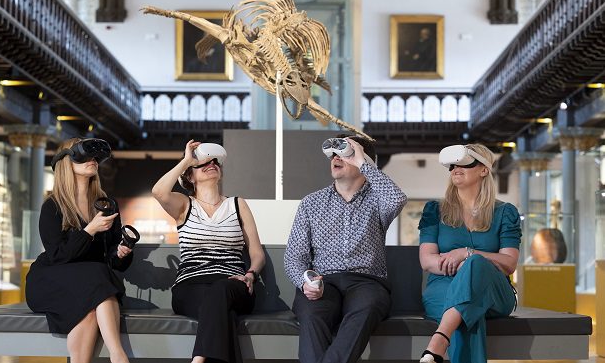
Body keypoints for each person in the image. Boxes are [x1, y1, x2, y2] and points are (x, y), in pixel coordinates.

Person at [284, 135, 407, 363]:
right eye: (332, 154)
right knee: (311, 314)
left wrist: (362, 162)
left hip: (367, 282)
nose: (335, 157)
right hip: (323, 281)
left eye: (344, 152)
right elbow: (294, 257)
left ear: (363, 159)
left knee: (366, 308)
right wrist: (304, 283)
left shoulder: (378, 200)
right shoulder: (311, 203)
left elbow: (397, 199)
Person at [151, 140, 265, 363]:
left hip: (234, 283)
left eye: (215, 162)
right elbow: (158, 191)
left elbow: (257, 253)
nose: (211, 164)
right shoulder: (185, 205)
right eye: (202, 164)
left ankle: (198, 359)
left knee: (220, 290)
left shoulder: (237, 204)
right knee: (225, 315)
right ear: (189, 177)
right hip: (190, 287)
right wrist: (186, 160)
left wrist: (251, 274)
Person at [26, 138, 134, 363]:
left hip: (89, 283)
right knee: (96, 275)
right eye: (85, 156)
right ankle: (118, 355)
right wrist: (89, 230)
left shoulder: (107, 205)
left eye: (95, 157)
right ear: (66, 162)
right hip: (51, 280)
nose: (92, 161)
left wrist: (122, 252)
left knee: (91, 304)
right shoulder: (53, 206)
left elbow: (113, 262)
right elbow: (58, 255)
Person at [418, 144, 521, 363]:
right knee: (467, 314)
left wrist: (467, 254)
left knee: (475, 263)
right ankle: (444, 336)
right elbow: (427, 261)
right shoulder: (434, 210)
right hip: (442, 286)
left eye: (464, 163)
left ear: (484, 169)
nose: (455, 168)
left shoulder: (505, 212)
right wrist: (463, 268)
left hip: (494, 292)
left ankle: (439, 339)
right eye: (452, 165)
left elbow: (510, 263)